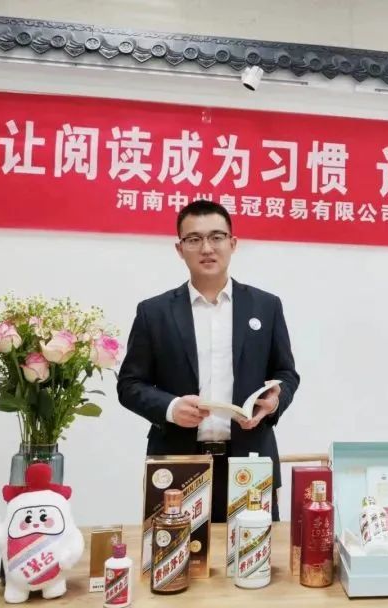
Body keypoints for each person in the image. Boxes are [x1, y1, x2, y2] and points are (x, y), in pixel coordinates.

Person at [117, 199, 299, 522]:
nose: (206, 248)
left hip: (249, 461)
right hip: (178, 464)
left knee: (251, 552)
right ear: (179, 248)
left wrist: (275, 400)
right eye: (194, 239)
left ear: (233, 243)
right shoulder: (154, 312)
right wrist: (171, 407)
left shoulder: (266, 306)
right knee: (175, 552)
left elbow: (286, 373)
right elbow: (129, 384)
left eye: (216, 237)